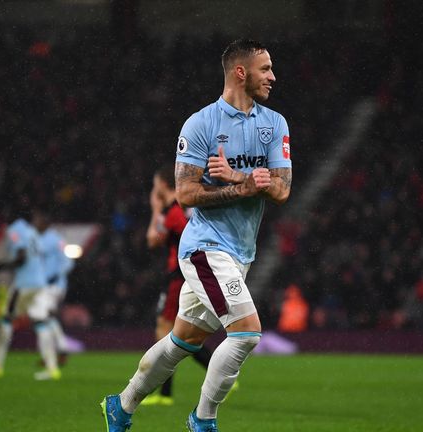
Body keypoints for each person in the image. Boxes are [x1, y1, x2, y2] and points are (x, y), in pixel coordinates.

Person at [101, 38, 292, 432]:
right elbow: (186, 193)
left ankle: (121, 405)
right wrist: (246, 186)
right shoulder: (200, 124)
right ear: (241, 72)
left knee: (181, 342)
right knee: (247, 333)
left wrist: (238, 176)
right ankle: (202, 420)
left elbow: (282, 189)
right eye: (265, 69)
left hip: (241, 252)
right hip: (204, 248)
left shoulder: (274, 124)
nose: (273, 76)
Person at [140, 164, 221, 407]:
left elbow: (153, 239)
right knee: (181, 332)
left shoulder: (174, 212)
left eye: (155, 184)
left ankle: (166, 393)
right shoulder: (177, 210)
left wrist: (155, 211)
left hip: (179, 274)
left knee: (169, 331)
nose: (153, 189)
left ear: (163, 185)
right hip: (180, 273)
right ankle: (213, 373)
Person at [0, 210, 61, 381]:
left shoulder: (16, 230)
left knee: (6, 320)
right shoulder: (33, 233)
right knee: (41, 323)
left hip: (24, 284)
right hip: (39, 284)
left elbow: (21, 257)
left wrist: (3, 265)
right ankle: (52, 369)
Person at [37, 219, 75, 366]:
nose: (36, 223)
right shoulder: (38, 239)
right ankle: (58, 350)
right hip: (44, 285)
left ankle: (54, 352)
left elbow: (68, 262)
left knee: (44, 317)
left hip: (54, 286)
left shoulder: (55, 239)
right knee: (48, 317)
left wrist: (55, 275)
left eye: (38, 220)